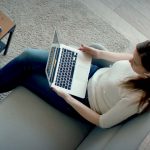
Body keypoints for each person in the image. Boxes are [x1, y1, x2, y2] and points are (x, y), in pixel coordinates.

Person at [0, 40, 150, 128]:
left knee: (27, 75)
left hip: (82, 101)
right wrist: (98, 54)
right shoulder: (141, 60)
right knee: (28, 56)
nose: (130, 60)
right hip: (90, 72)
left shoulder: (137, 99)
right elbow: (127, 57)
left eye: (135, 62)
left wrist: (67, 98)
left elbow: (102, 122)